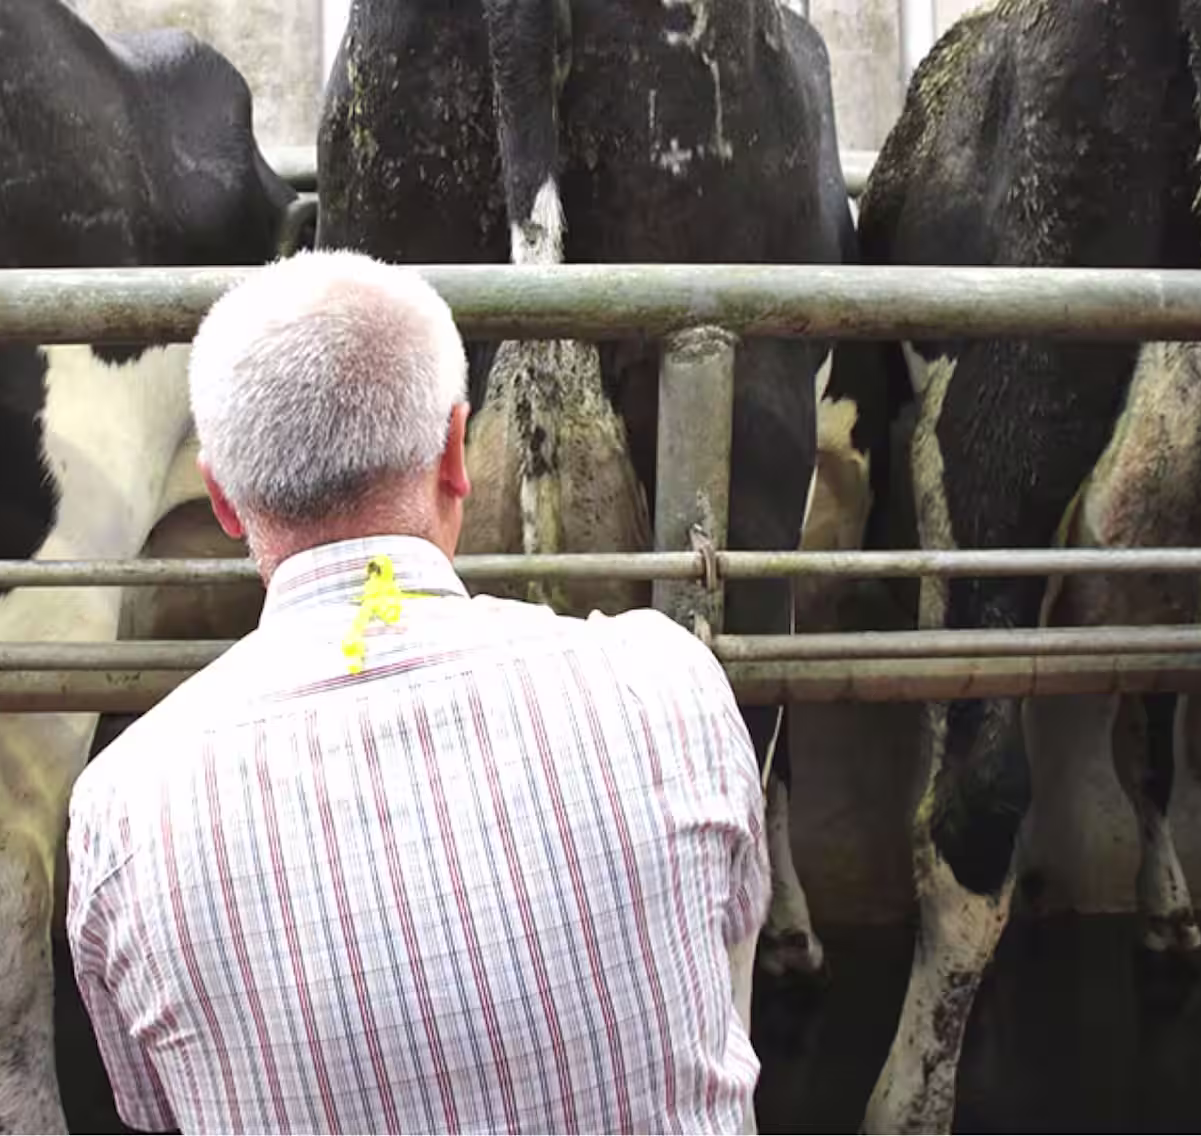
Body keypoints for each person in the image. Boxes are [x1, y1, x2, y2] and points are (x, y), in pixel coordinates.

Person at [66, 249, 768, 1134]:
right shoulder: (671, 688)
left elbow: (156, 1114)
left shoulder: (122, 811)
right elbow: (729, 959)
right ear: (454, 453)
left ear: (223, 500)